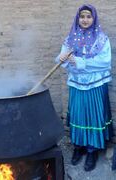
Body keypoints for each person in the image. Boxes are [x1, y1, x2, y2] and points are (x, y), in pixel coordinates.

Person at [55, 4, 113, 171]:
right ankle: (79, 147)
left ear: (93, 18)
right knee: (79, 114)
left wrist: (80, 62)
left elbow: (104, 62)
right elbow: (63, 58)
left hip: (95, 84)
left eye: (88, 16)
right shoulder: (71, 38)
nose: (85, 20)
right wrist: (63, 57)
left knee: (93, 115)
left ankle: (92, 150)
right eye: (82, 16)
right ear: (77, 18)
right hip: (77, 84)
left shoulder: (101, 39)